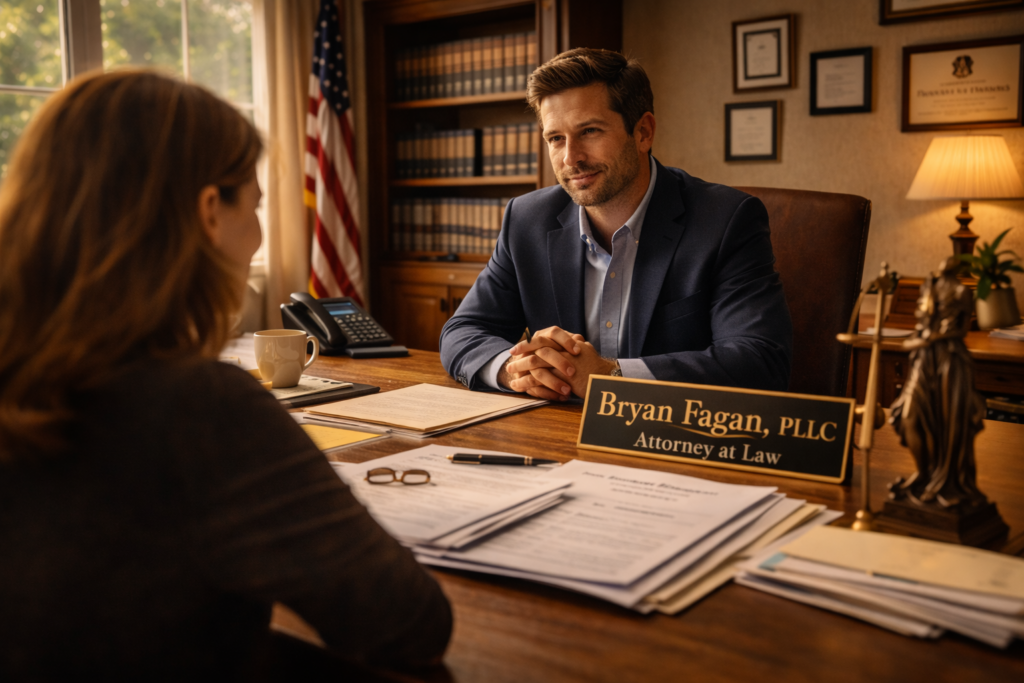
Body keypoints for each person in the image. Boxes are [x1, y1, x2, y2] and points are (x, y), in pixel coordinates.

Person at [0, 70, 451, 679]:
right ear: (209, 212)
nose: (259, 234)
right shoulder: (199, 406)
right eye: (256, 204)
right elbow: (409, 623)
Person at [439, 48, 792, 400]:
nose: (571, 158)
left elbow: (759, 360)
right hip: (555, 426)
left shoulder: (726, 220)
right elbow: (463, 330)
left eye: (589, 131)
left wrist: (611, 376)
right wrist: (514, 370)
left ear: (643, 132)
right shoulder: (526, 219)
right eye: (555, 138)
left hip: (670, 428)